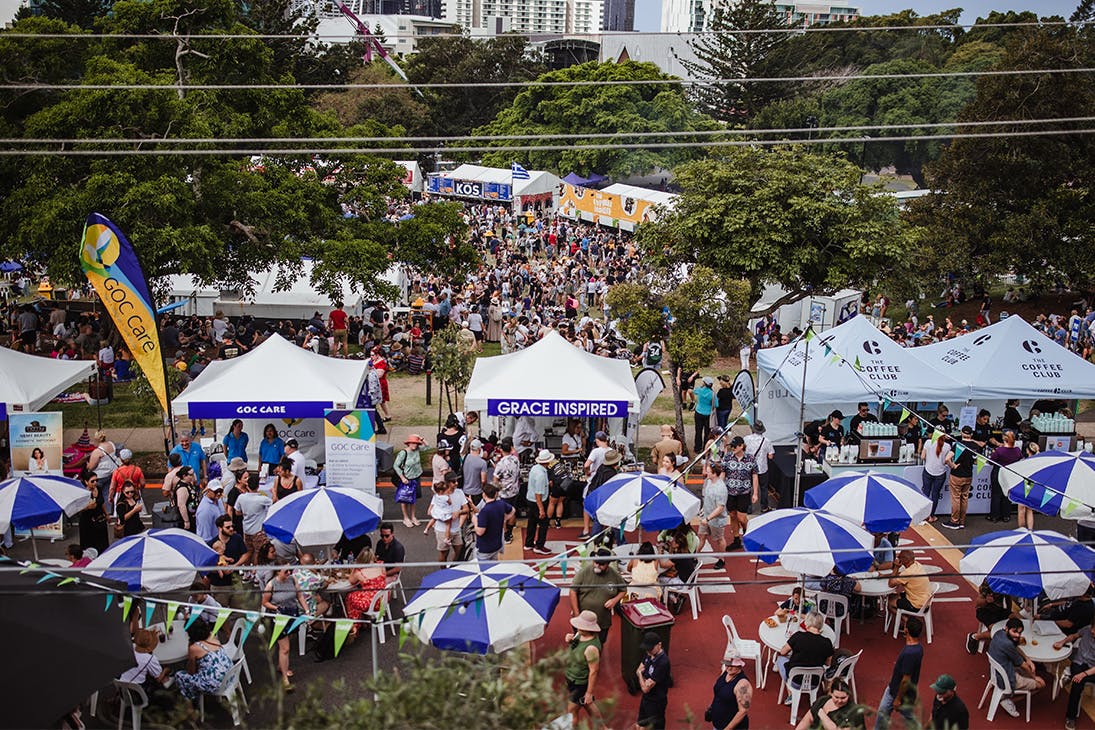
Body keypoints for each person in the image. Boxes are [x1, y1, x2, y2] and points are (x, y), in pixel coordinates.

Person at [261, 563, 309, 692]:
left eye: (290, 571)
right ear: (278, 572)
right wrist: (276, 608)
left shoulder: (292, 579)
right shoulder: (271, 585)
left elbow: (299, 596)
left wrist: (307, 611)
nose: (289, 573)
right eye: (286, 571)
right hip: (279, 618)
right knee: (285, 648)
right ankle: (284, 679)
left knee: (289, 639)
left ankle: (280, 665)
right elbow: (264, 602)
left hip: (292, 614)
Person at [874, 617, 924, 730]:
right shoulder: (919, 648)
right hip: (903, 691)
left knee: (885, 715)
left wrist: (898, 698)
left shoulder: (909, 653)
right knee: (906, 716)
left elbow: (905, 679)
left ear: (906, 630)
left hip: (897, 693)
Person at [570, 548, 627, 646]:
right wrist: (576, 613)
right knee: (579, 644)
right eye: (596, 562)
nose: (597, 566)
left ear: (608, 564)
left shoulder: (614, 575)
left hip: (602, 621)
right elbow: (572, 591)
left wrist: (614, 600)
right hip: (583, 619)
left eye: (601, 564)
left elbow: (623, 590)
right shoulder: (584, 572)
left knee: (599, 644)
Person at [173, 619, 233, 703]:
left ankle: (190, 702)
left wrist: (190, 646)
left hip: (215, 684)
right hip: (230, 676)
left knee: (179, 675)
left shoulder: (194, 648)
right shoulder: (213, 637)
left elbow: (191, 672)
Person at [565, 610, 605, 728]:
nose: (578, 627)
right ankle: (603, 728)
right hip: (571, 679)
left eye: (581, 626)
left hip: (579, 683)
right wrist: (569, 640)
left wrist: (589, 692)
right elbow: (574, 649)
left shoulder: (591, 648)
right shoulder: (579, 634)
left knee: (571, 711)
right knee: (588, 704)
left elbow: (594, 671)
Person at [1055, 620, 1095, 730]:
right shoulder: (1087, 629)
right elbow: (1074, 636)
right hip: (1079, 662)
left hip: (1093, 669)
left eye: (1094, 629)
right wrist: (1062, 642)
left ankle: (1069, 677)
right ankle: (1071, 717)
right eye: (1092, 627)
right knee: (1078, 684)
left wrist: (1083, 674)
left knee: (1078, 680)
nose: (1091, 630)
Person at [721, 436, 758, 550]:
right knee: (732, 516)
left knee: (742, 518)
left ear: (742, 446)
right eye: (731, 446)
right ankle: (736, 539)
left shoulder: (750, 459)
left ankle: (748, 534)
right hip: (730, 492)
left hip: (744, 492)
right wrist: (720, 488)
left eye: (735, 446)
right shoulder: (727, 458)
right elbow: (723, 473)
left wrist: (755, 493)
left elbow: (755, 475)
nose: (733, 448)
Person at [775, 611, 833, 683]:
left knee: (780, 658)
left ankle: (790, 691)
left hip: (794, 678)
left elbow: (783, 652)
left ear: (806, 622)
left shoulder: (798, 636)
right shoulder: (827, 642)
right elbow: (828, 663)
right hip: (815, 680)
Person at [343, 547, 388, 638]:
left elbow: (351, 581)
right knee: (358, 594)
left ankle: (355, 624)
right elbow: (384, 577)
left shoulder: (360, 572)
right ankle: (363, 620)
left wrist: (354, 568)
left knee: (349, 597)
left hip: (371, 603)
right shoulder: (381, 565)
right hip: (383, 600)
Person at [965, 581, 1018, 654]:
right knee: (997, 630)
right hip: (984, 611)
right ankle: (975, 636)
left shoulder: (1005, 582)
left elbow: (1008, 599)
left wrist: (1008, 613)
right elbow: (978, 603)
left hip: (999, 610)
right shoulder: (987, 584)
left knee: (1017, 618)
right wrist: (986, 601)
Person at [941, 426, 977, 530]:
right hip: (969, 475)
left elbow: (947, 459)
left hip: (957, 475)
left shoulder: (958, 445)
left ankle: (954, 521)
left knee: (956, 498)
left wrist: (953, 466)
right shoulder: (975, 446)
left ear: (961, 433)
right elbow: (975, 461)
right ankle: (962, 521)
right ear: (971, 434)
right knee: (964, 498)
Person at [795, 679, 866, 730]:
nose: (839, 701)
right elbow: (807, 720)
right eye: (836, 697)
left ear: (849, 695)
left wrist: (822, 714)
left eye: (843, 698)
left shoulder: (854, 712)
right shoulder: (822, 700)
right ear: (831, 694)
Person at [635, 632, 671, 729]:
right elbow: (639, 668)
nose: (648, 651)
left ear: (659, 645)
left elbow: (645, 688)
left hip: (656, 702)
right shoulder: (649, 654)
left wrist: (640, 675)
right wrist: (644, 679)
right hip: (646, 699)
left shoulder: (663, 662)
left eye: (650, 648)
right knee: (639, 725)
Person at [709, 649, 752, 730]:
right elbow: (719, 692)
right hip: (717, 724)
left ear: (739, 665)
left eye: (731, 665)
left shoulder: (743, 684)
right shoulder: (726, 673)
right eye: (726, 664)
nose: (728, 667)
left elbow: (743, 711)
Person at [697, 462, 728, 570]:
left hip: (716, 520)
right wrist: (703, 511)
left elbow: (720, 508)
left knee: (719, 539)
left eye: (709, 472)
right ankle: (694, 556)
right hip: (706, 515)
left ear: (714, 474)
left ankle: (722, 559)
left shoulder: (720, 489)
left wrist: (708, 518)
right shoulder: (709, 482)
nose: (706, 473)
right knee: (701, 536)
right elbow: (707, 498)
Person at [235, 479, 272, 567]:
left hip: (246, 529)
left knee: (248, 551)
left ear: (247, 486)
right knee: (257, 552)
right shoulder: (262, 499)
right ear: (258, 486)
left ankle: (247, 572)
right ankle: (255, 572)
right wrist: (273, 492)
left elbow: (237, 512)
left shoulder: (241, 497)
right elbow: (274, 503)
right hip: (258, 531)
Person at [474, 482, 515, 560]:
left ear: (484, 495)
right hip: (496, 545)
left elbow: (480, 531)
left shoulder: (485, 511)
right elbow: (513, 510)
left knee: (483, 570)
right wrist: (505, 519)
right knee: (493, 567)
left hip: (484, 548)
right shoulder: (501, 504)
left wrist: (475, 521)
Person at [887, 550, 931, 621]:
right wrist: (884, 575)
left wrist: (896, 567)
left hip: (916, 605)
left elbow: (891, 584)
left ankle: (907, 621)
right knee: (892, 596)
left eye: (900, 557)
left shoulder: (908, 572)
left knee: (890, 604)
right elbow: (901, 575)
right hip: (925, 601)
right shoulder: (917, 565)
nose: (897, 557)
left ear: (905, 560)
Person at [988, 431, 1023, 523]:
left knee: (996, 495)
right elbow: (1020, 459)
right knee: (1007, 495)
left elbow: (991, 461)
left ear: (1004, 439)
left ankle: (994, 516)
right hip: (1010, 474)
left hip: (998, 473)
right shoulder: (1017, 450)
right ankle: (1006, 515)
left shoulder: (999, 450)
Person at [394, 434, 425, 528]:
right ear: (408, 443)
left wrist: (422, 439)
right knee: (405, 498)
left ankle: (413, 516)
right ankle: (406, 517)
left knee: (413, 499)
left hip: (416, 477)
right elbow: (396, 465)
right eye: (413, 443)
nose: (415, 445)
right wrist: (402, 477)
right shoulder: (403, 453)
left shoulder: (417, 450)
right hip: (407, 479)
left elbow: (428, 447)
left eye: (416, 443)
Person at [525, 449, 552, 555]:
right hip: (538, 502)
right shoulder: (541, 474)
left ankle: (529, 543)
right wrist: (541, 509)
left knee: (531, 522)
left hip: (530, 499)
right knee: (544, 524)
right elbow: (538, 494)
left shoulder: (535, 468)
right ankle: (539, 545)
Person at [743, 421, 774, 513]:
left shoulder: (746, 439)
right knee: (763, 488)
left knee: (748, 488)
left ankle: (748, 508)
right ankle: (764, 507)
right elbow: (770, 456)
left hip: (749, 467)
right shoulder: (767, 441)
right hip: (762, 468)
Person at [920, 432, 951, 523]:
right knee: (935, 494)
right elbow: (947, 461)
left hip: (928, 470)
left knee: (925, 492)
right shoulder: (947, 446)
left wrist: (929, 460)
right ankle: (931, 516)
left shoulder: (928, 442)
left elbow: (922, 456)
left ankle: (923, 515)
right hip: (940, 472)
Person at [77, 469, 109, 553]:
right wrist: (87, 507)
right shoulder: (82, 493)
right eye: (92, 481)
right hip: (87, 522)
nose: (95, 483)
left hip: (100, 520)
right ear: (86, 482)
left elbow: (102, 503)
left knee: (102, 544)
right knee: (89, 545)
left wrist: (107, 514)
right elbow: (77, 509)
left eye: (96, 480)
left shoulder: (98, 488)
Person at [693, 375, 715, 453]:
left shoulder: (700, 390)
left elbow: (694, 391)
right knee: (707, 432)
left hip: (699, 413)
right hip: (708, 414)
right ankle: (706, 448)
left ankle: (697, 448)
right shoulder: (712, 393)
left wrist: (701, 386)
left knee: (698, 431)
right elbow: (716, 404)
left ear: (704, 383)